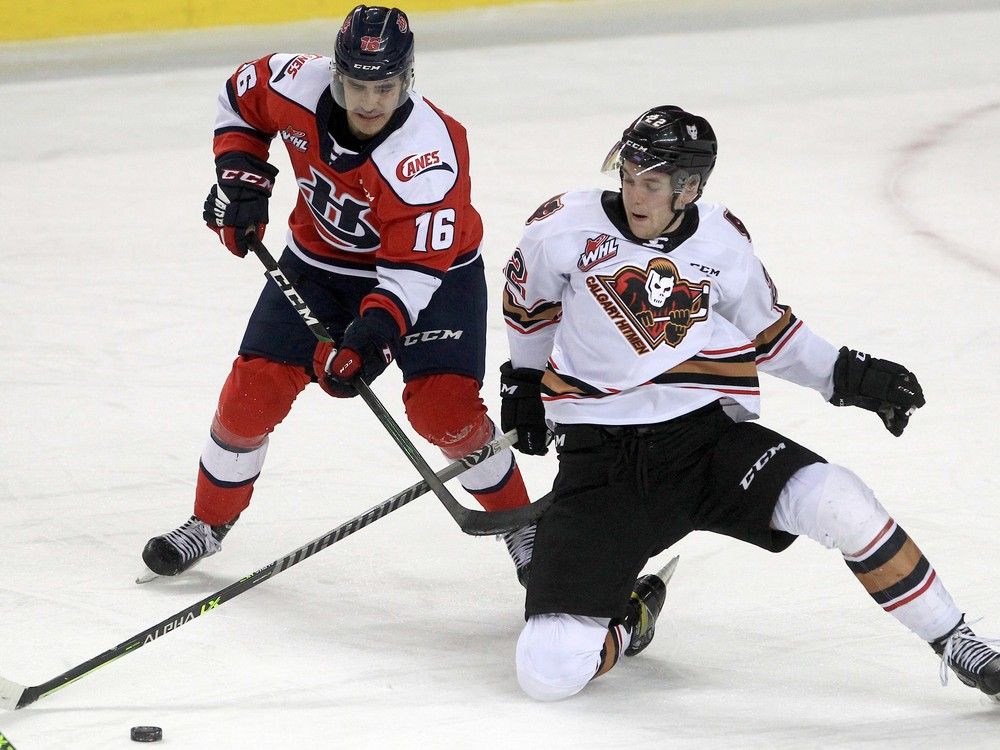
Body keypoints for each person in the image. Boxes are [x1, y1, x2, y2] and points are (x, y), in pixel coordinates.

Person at [499, 105, 999, 701]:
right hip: (601, 466)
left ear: (688, 187)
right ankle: (630, 618)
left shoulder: (722, 241)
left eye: (652, 183)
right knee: (547, 674)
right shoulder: (562, 227)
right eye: (629, 176)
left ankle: (959, 643)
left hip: (705, 444)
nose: (635, 193)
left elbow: (773, 336)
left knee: (839, 500)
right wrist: (523, 385)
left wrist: (848, 376)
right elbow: (528, 309)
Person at [140, 4, 534, 585]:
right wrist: (242, 181)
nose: (368, 102)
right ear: (336, 74)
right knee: (250, 395)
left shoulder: (430, 153)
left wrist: (372, 339)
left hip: (434, 275)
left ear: (408, 80)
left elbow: (411, 272)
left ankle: (523, 527)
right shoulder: (293, 82)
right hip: (320, 263)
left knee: (443, 410)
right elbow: (239, 102)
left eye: (385, 87)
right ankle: (207, 524)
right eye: (355, 85)